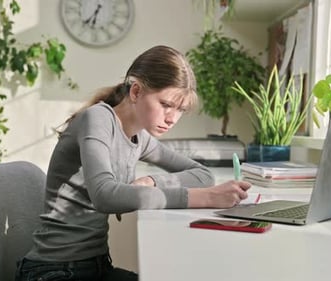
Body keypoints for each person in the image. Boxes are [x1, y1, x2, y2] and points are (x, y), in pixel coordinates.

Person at [14, 45, 251, 281]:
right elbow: (105, 195)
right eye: (166, 104)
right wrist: (206, 197)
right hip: (53, 271)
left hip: (96, 267)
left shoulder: (140, 138)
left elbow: (202, 174)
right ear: (136, 92)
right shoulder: (98, 119)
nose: (172, 118)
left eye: (181, 110)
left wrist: (151, 181)